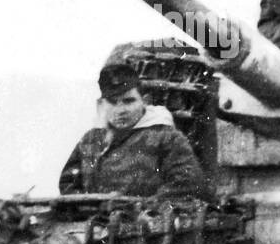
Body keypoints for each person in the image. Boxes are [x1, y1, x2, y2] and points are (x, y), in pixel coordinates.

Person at [59, 64, 208, 200]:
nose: (121, 110)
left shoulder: (166, 137)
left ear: (145, 100)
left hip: (144, 225)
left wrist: (140, 206)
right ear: (102, 103)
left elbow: (189, 184)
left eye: (128, 101)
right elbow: (67, 183)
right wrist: (88, 206)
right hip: (94, 224)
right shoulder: (91, 139)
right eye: (112, 102)